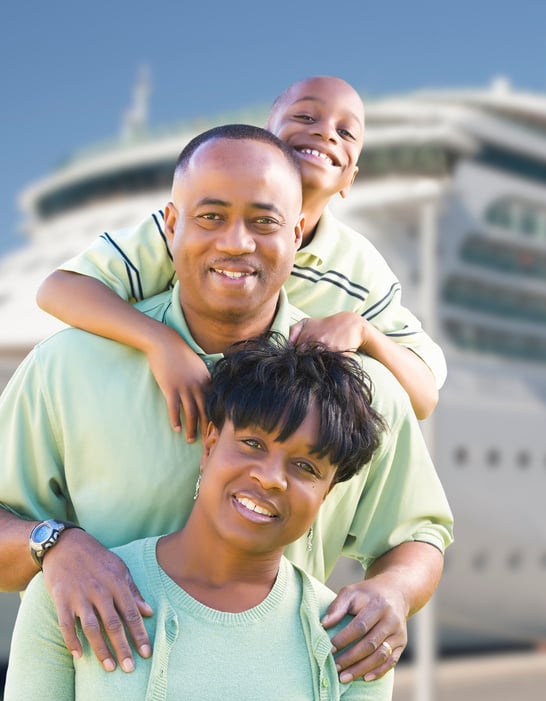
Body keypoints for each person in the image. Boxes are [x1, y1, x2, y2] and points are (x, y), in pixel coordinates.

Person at [0, 125, 452, 685]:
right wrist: (55, 546)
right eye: (211, 216)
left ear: (298, 232)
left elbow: (419, 534)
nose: (237, 242)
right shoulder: (65, 367)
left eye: (264, 222)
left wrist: (393, 592)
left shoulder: (362, 389)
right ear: (171, 225)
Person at [2, 336, 393, 701]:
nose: (271, 478)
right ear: (209, 446)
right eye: (253, 443)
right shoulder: (73, 593)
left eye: (307, 467)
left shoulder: (355, 640)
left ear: (326, 496)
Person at [36, 75, 444, 437]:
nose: (326, 134)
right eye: (305, 118)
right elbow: (58, 290)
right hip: (157, 420)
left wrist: (364, 331)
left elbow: (424, 397)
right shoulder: (197, 229)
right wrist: (160, 342)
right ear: (265, 138)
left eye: (346, 131)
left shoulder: (359, 267)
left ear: (349, 178)